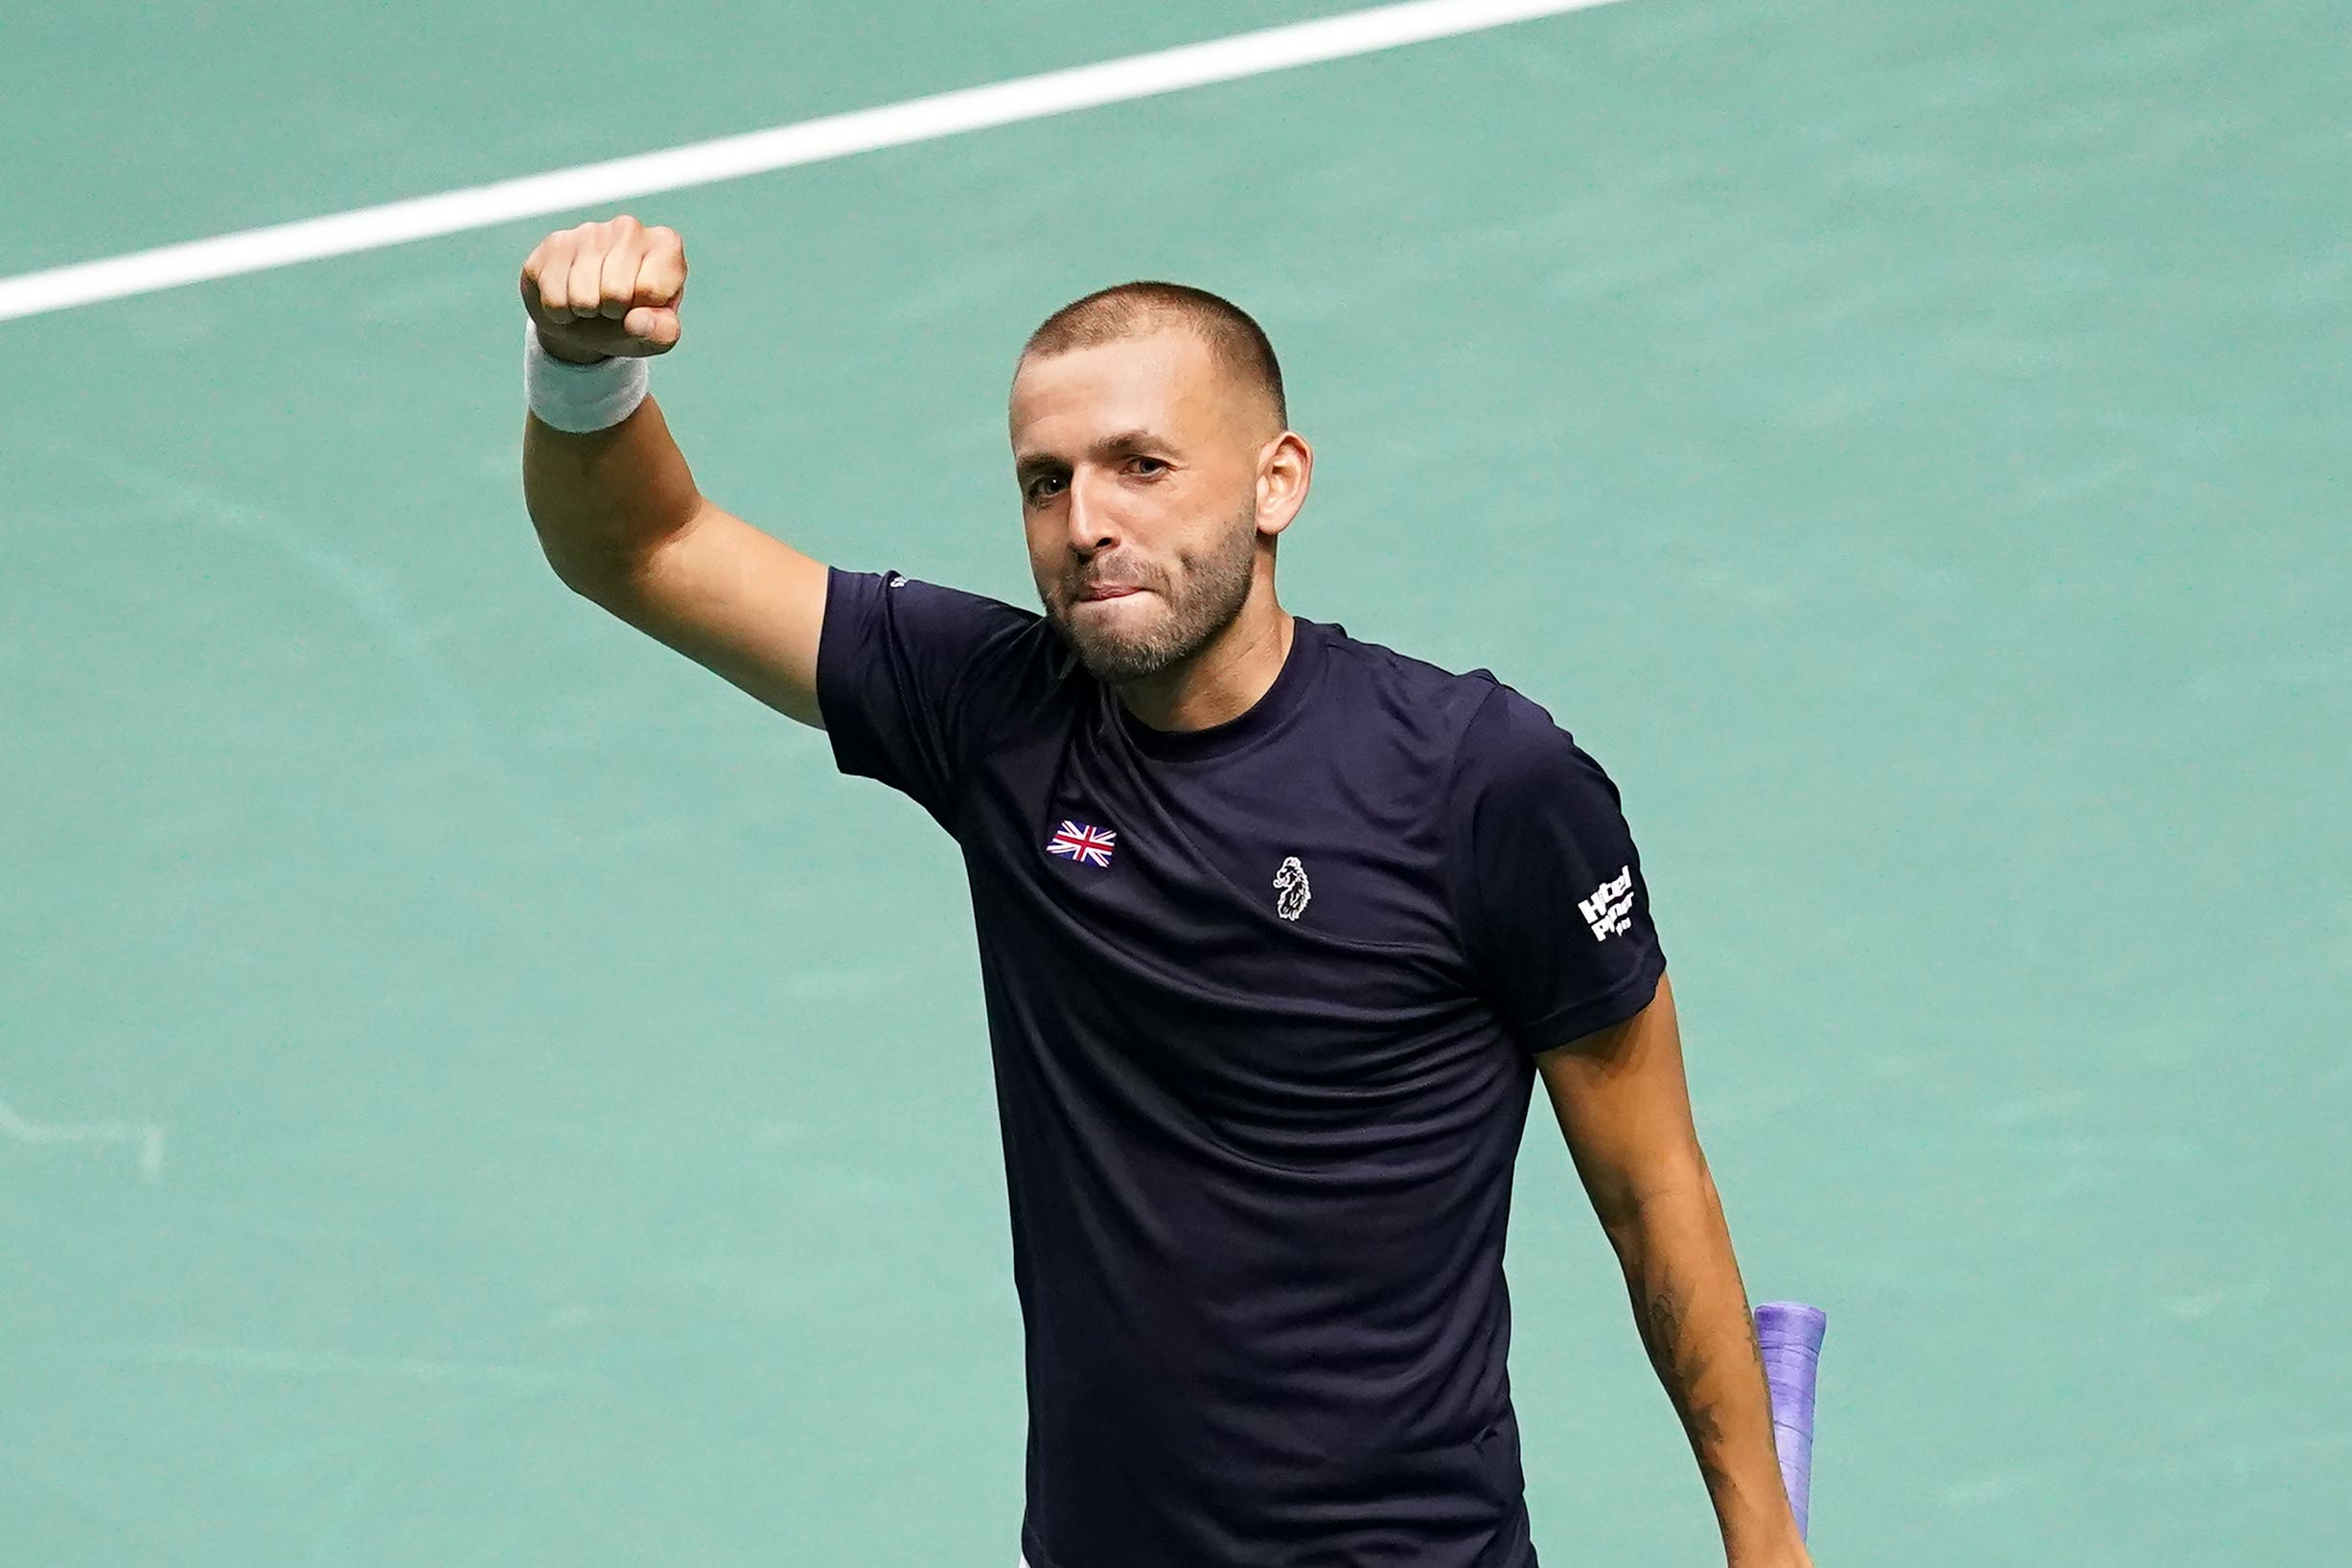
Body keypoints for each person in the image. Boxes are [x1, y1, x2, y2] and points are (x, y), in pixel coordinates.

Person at [517, 215, 1812, 1568]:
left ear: (1275, 483)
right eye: (1043, 482)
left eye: (1141, 467)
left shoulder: (1481, 784)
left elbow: (1651, 1183)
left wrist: (1760, 1540)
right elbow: (643, 546)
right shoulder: (996, 718)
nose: (1088, 525)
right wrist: (579, 367)